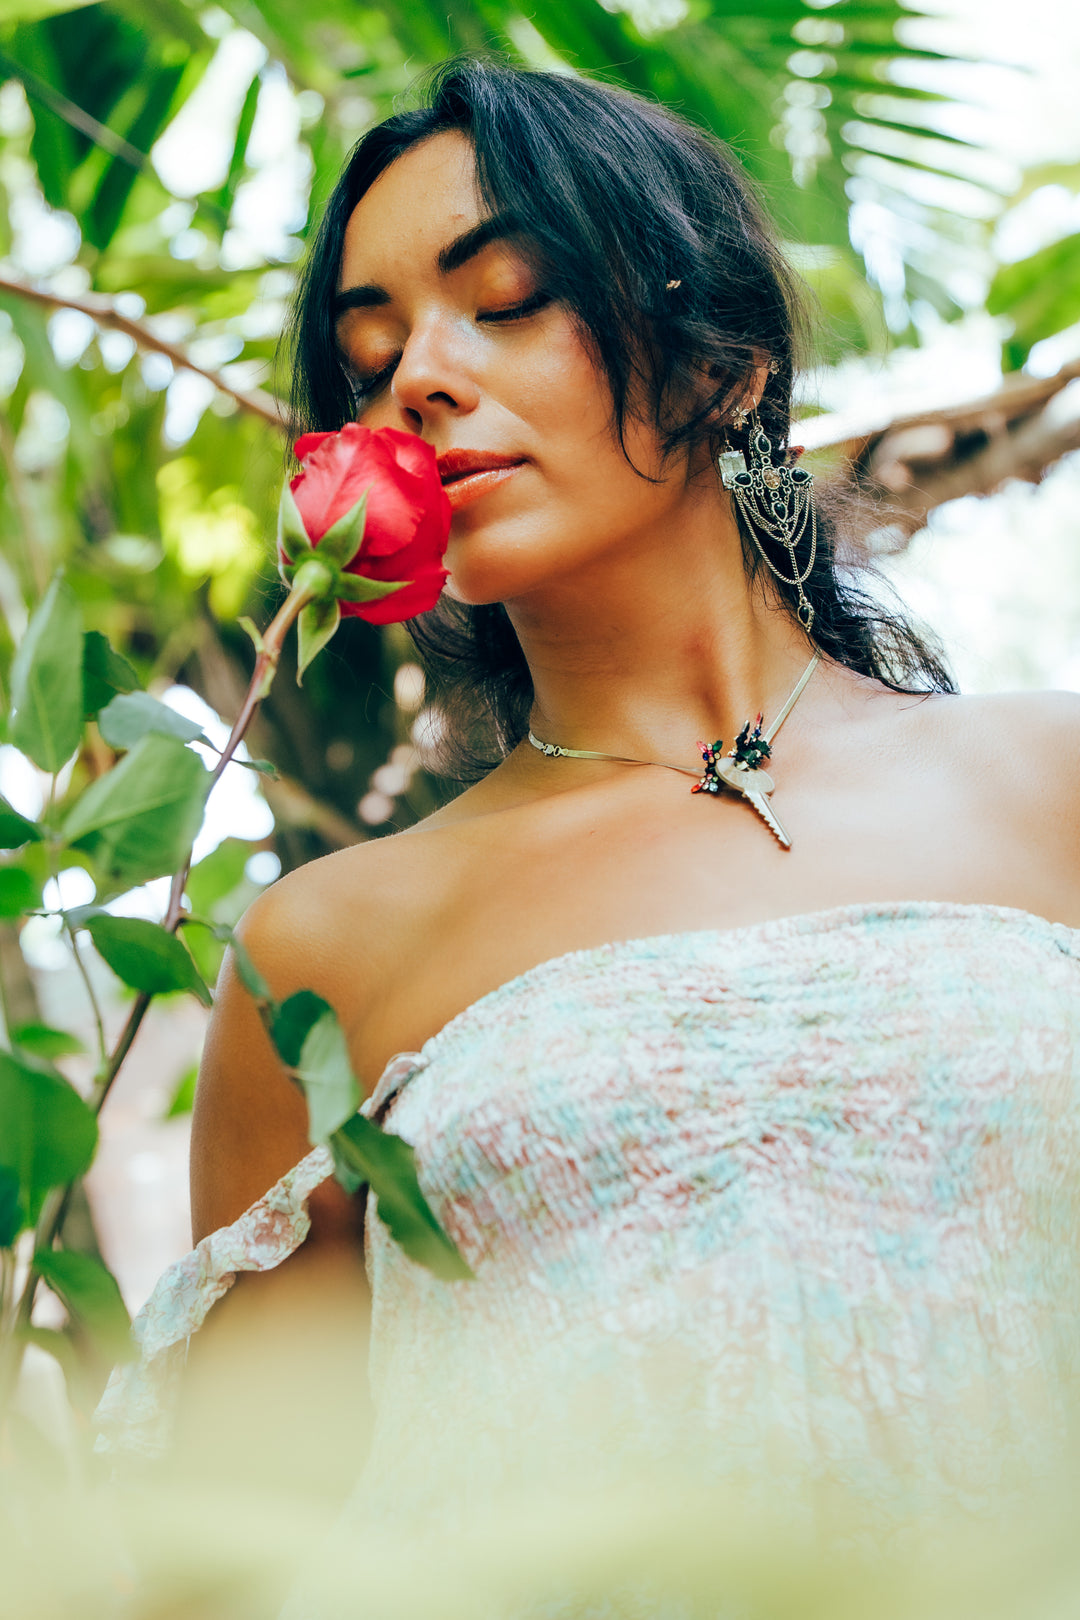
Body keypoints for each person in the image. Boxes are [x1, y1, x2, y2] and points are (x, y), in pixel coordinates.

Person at [98, 54, 1080, 1611]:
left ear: (723, 366)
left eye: (505, 300)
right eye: (369, 358)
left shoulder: (1050, 782)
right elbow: (227, 1569)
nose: (418, 379)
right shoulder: (327, 949)